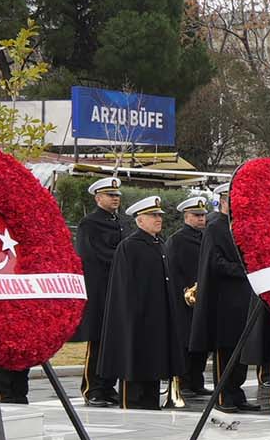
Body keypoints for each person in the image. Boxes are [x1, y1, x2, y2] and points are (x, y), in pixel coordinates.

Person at [95, 195, 187, 410]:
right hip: (137, 319)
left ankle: (151, 405)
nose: (158, 219)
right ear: (139, 220)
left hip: (157, 318)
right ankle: (134, 406)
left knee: (153, 367)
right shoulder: (130, 247)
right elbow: (124, 288)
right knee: (135, 367)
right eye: (152, 215)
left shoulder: (159, 245)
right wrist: (132, 319)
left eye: (159, 215)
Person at [184, 194, 260, 416]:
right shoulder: (215, 227)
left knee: (240, 350)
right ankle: (224, 395)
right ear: (224, 202)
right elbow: (215, 262)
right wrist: (243, 271)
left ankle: (237, 394)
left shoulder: (239, 225)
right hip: (224, 299)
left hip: (242, 296)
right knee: (226, 350)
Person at [73, 175, 128, 404]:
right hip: (100, 289)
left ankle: (108, 385)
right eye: (110, 195)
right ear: (98, 198)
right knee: (97, 341)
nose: (115, 199)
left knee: (115, 340)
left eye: (117, 195)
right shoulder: (90, 223)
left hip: (119, 289)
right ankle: (92, 388)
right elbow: (91, 255)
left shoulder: (122, 222)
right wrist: (122, 259)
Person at [166, 194, 213, 401]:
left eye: (203, 215)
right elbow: (172, 270)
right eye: (196, 215)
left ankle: (197, 381)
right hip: (185, 298)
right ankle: (184, 381)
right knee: (186, 342)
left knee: (201, 342)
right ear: (186, 216)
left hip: (204, 295)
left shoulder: (206, 237)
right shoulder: (177, 240)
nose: (201, 219)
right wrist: (184, 292)